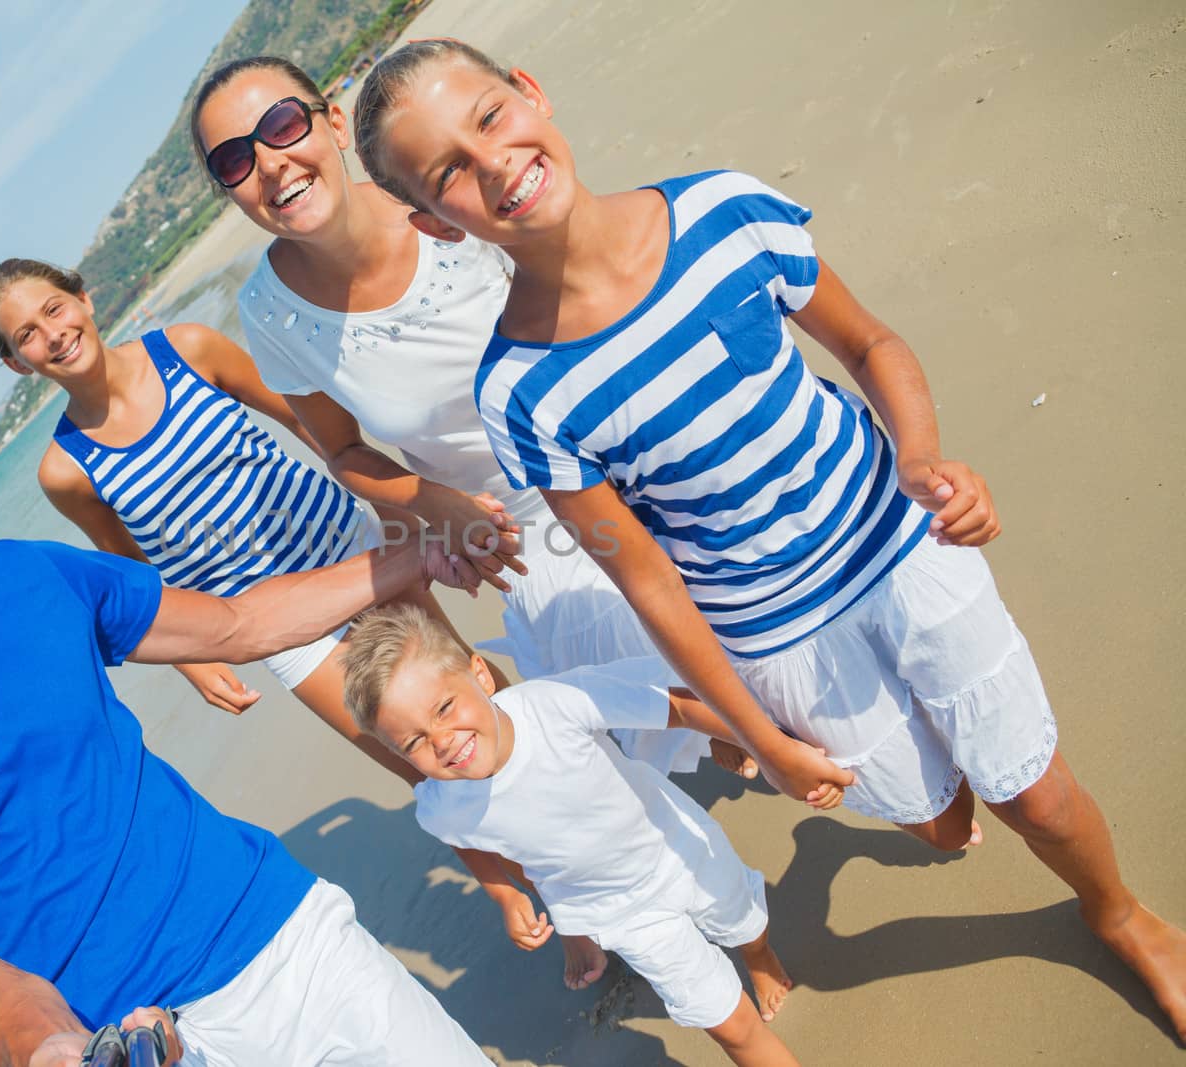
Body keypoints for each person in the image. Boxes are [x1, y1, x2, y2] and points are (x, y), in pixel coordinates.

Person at [349, 38, 1186, 1038]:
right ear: (429, 220)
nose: (491, 164)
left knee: (1036, 799)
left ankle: (1119, 913)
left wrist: (924, 459)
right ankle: (941, 783)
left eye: (488, 117)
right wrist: (759, 738)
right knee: (940, 817)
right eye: (447, 172)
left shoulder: (722, 214)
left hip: (900, 544)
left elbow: (870, 343)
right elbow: (650, 580)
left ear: (530, 92)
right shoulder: (520, 390)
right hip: (776, 631)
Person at [0, 323, 495, 1066]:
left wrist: (419, 554)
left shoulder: (29, 575)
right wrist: (51, 1047)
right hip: (128, 1041)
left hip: (286, 936)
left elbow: (236, 623)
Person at [189, 57, 771, 989]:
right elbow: (342, 453)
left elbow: (585, 267)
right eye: (231, 159)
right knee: (588, 742)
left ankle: (767, 755)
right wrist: (435, 507)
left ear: (333, 122)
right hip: (512, 533)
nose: (269, 162)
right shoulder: (268, 311)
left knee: (756, 669)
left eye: (284, 126)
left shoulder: (441, 191)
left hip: (613, 455)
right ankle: (659, 907)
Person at [0, 257, 504, 784]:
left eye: (54, 309)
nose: (54, 334)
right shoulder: (65, 470)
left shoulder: (185, 350)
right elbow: (130, 570)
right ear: (20, 362)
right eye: (28, 334)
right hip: (276, 626)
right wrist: (192, 659)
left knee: (481, 705)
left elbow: (308, 424)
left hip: (357, 552)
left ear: (83, 300)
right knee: (425, 774)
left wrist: (397, 514)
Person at [341, 603, 803, 1067]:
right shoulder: (442, 804)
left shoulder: (553, 706)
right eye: (415, 742)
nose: (441, 740)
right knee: (731, 1026)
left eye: (444, 708)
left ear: (480, 676)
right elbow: (467, 838)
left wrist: (763, 746)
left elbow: (676, 704)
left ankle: (759, 957)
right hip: (622, 915)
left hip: (679, 848)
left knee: (744, 922)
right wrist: (506, 895)